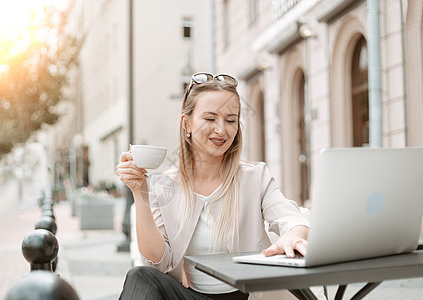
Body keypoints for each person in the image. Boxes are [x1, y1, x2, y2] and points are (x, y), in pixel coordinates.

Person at [115, 72, 309, 300]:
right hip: (192, 296)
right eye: (210, 119)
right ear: (186, 124)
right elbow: (158, 263)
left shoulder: (255, 177)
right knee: (140, 276)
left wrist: (294, 236)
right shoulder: (164, 185)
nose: (221, 129)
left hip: (245, 296)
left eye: (230, 120)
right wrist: (140, 193)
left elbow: (293, 219)